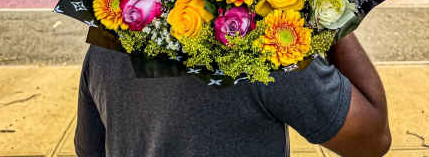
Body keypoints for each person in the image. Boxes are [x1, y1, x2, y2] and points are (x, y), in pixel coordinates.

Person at [75, 33, 391, 157]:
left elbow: (90, 149)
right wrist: (333, 14)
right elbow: (371, 139)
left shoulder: (107, 41)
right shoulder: (263, 45)